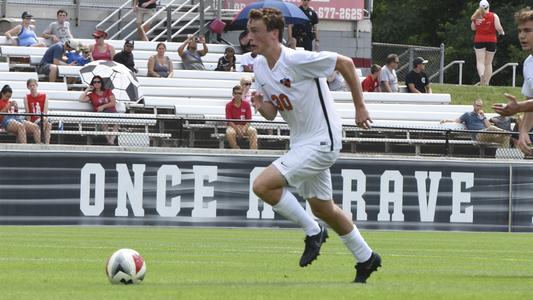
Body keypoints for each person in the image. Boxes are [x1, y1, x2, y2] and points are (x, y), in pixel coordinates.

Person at [247, 8, 380, 283]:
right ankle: (366, 258)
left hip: (322, 139)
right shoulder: (260, 66)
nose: (250, 38)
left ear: (274, 34)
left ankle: (313, 232)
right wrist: (261, 106)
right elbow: (272, 113)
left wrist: (360, 106)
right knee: (323, 208)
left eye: (255, 31)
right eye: (249, 31)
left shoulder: (296, 59)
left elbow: (345, 64)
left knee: (261, 185)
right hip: (301, 142)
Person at [492, 7, 533, 155]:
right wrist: (523, 132)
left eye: (527, 30)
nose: (522, 35)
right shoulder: (528, 63)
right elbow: (530, 102)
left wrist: (519, 107)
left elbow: (525, 105)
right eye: (520, 31)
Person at [441, 99, 510, 148]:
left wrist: (483, 116)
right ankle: (505, 132)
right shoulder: (467, 115)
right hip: (478, 136)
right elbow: (457, 120)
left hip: (487, 136)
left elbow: (488, 127)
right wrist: (446, 120)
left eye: (480, 106)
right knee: (498, 131)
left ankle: (504, 158)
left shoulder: (482, 116)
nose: (478, 107)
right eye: (477, 105)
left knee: (506, 137)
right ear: (473, 105)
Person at [471, 0, 505, 86]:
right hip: (491, 40)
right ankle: (487, 83)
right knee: (488, 63)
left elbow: (473, 28)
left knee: (480, 62)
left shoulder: (476, 16)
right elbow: (499, 28)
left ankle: (482, 76)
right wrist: (502, 33)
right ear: (488, 6)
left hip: (479, 40)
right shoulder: (494, 16)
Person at [78, 75, 119, 145]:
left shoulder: (108, 91)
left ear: (101, 83)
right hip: (100, 113)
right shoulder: (91, 95)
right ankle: (111, 142)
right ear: (92, 84)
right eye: (94, 82)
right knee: (103, 122)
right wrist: (87, 90)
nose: (96, 83)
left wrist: (103, 106)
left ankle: (111, 141)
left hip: (111, 111)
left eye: (98, 82)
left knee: (117, 122)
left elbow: (113, 102)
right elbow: (81, 99)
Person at [225, 85, 257, 149]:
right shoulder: (228, 105)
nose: (237, 95)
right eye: (235, 93)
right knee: (229, 132)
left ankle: (253, 151)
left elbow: (249, 119)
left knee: (253, 130)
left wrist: (244, 129)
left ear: (242, 94)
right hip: (233, 126)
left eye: (239, 93)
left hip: (244, 126)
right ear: (233, 94)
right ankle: (236, 149)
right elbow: (229, 121)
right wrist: (238, 129)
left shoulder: (246, 104)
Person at [23, 79, 51, 144]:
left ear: (36, 85)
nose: (32, 87)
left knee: (48, 124)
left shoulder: (44, 96)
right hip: (32, 121)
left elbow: (45, 113)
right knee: (46, 125)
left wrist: (39, 120)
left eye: (33, 85)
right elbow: (28, 114)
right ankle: (39, 144)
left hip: (42, 120)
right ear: (28, 87)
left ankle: (46, 145)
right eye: (30, 86)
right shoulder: (26, 97)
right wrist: (32, 123)